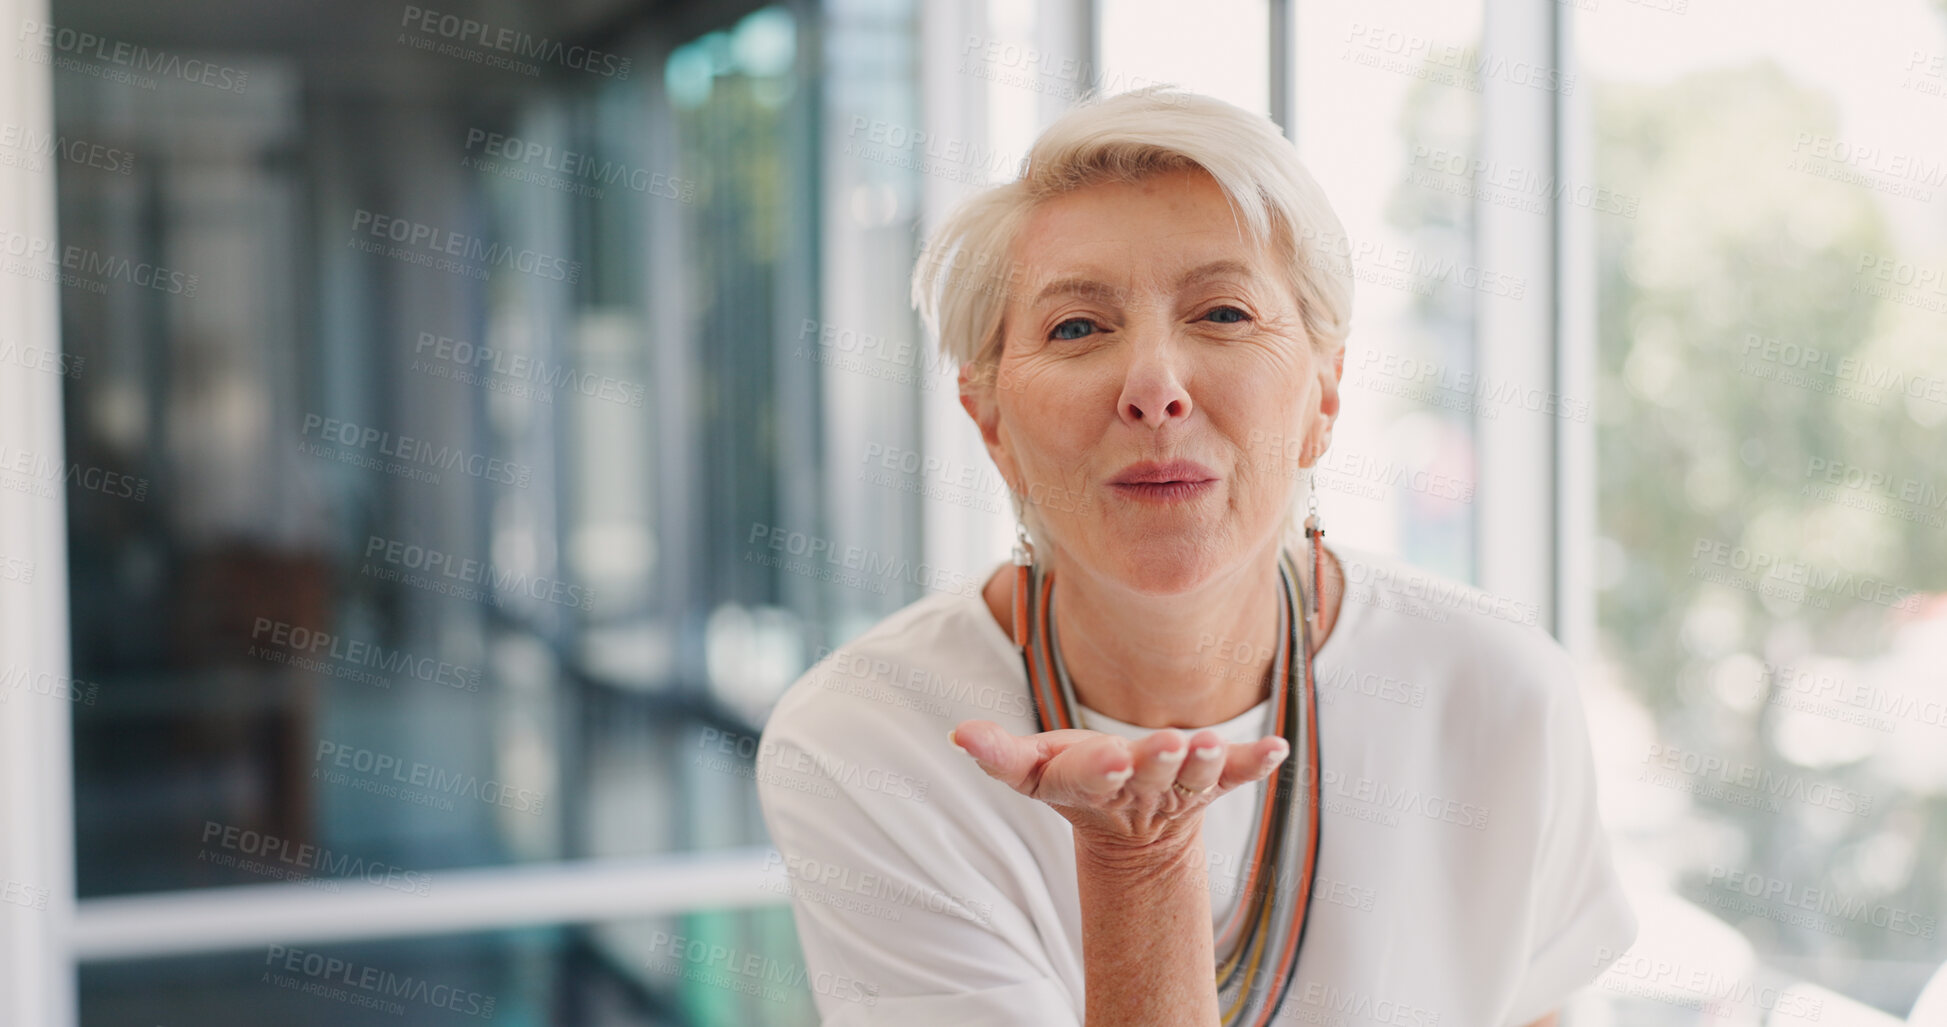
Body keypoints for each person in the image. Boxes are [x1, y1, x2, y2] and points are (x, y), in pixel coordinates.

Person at [755, 85, 1637, 1027]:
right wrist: (1136, 862)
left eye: (1222, 313)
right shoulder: (869, 737)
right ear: (990, 420)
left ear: (1323, 395)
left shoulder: (1494, 687)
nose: (1154, 389)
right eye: (1077, 328)